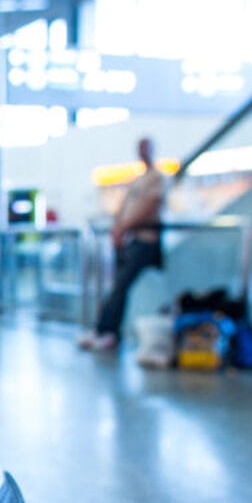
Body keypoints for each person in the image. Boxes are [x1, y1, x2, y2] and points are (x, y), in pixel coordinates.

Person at [79, 137, 166, 351]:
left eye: (146, 148)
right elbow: (124, 207)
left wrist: (125, 227)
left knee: (120, 286)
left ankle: (107, 332)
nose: (142, 152)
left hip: (146, 240)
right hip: (130, 239)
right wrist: (118, 228)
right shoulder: (139, 180)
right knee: (117, 286)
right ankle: (105, 330)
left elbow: (150, 206)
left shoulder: (157, 178)